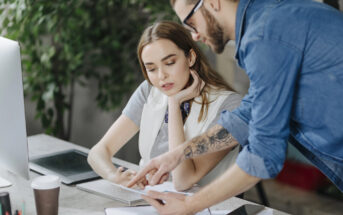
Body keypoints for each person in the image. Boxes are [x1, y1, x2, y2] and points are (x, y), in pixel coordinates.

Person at [128, 0, 343, 214]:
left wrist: (188, 205)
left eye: (191, 22)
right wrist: (178, 154)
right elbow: (249, 114)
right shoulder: (269, 17)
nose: (194, 35)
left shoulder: (264, 35)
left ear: (213, 2)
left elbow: (263, 155)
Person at [87, 20, 242, 190]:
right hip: (148, 199)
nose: (161, 76)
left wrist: (174, 104)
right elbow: (98, 151)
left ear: (190, 58)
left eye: (169, 63)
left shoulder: (229, 105)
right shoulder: (149, 91)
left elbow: (183, 180)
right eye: (151, 69)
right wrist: (115, 176)